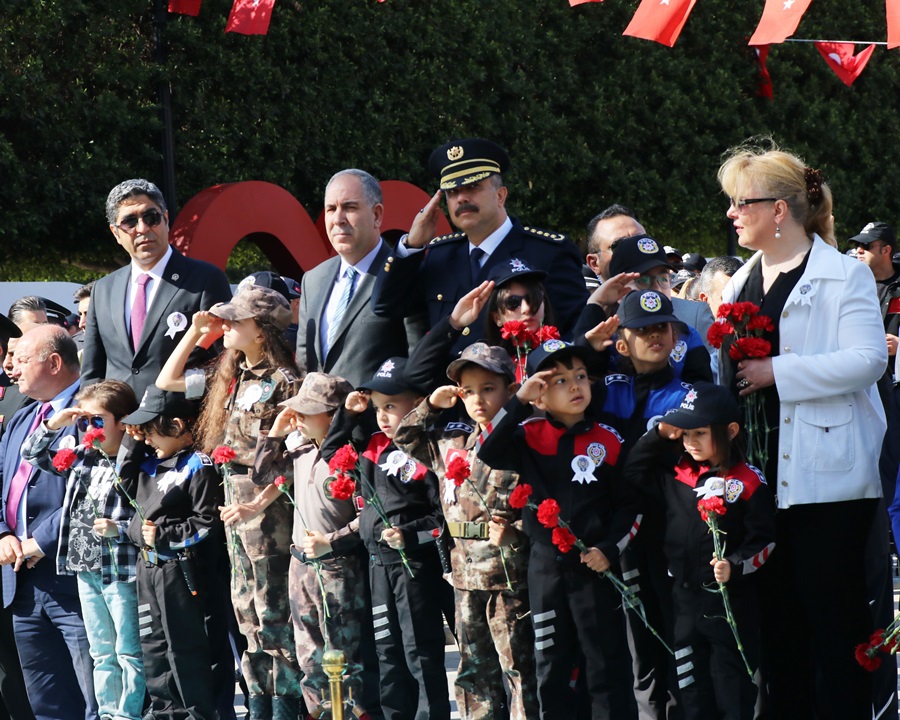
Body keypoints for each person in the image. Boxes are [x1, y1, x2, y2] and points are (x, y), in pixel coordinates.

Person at [717, 143, 887, 719]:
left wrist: (777, 372)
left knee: (834, 626)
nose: (732, 215)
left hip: (827, 483)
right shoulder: (739, 279)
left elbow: (869, 361)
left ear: (780, 210)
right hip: (759, 477)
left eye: (742, 203)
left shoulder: (844, 276)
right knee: (778, 625)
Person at [157, 285, 303, 720]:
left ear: (262, 332)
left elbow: (295, 455)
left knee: (274, 610)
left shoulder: (286, 382)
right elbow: (167, 381)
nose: (227, 326)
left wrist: (259, 502)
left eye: (237, 321)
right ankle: (258, 703)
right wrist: (194, 334)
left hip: (267, 507)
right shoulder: (232, 375)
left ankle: (285, 706)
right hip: (232, 504)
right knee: (247, 613)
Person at [478, 339, 638, 719]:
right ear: (540, 395)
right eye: (560, 381)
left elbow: (631, 506)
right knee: (551, 661)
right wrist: (519, 402)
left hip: (594, 567)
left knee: (605, 663)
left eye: (580, 377)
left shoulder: (609, 439)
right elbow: (487, 450)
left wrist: (609, 550)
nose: (576, 386)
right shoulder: (527, 434)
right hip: (546, 567)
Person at [395, 342, 538, 719]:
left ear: (511, 388)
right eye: (468, 390)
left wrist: (518, 532)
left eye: (488, 388)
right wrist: (432, 404)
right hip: (463, 576)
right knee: (474, 673)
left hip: (509, 576)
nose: (477, 399)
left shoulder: (524, 439)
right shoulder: (453, 441)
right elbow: (405, 437)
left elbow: (545, 505)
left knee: (521, 671)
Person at [624, 383, 775, 720]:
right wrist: (660, 434)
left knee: (732, 690)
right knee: (689, 689)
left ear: (730, 431)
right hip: (683, 602)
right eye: (685, 432)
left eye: (700, 432)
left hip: (728, 602)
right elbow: (632, 471)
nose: (689, 441)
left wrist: (734, 567)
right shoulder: (678, 473)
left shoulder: (748, 481)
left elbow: (765, 540)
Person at [324, 358, 449, 720]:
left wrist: (409, 535)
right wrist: (347, 416)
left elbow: (442, 519)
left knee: (419, 651)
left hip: (414, 566)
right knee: (387, 651)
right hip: (378, 565)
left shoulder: (427, 448)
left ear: (417, 404)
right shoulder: (371, 444)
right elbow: (331, 455)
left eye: (391, 406)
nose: (382, 416)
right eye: (378, 407)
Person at [372, 139, 588, 348]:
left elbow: (574, 328)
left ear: (500, 196)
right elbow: (385, 305)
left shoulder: (548, 253)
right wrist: (412, 244)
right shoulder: (439, 255)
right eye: (453, 192)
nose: (462, 198)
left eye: (473, 187)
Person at [22, 380, 145, 720]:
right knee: (101, 650)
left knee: (127, 650)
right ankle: (108, 712)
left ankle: (128, 713)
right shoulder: (83, 457)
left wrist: (119, 528)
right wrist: (55, 424)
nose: (89, 429)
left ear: (122, 421)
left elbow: (147, 514)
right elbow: (32, 454)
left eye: (97, 420)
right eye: (84, 421)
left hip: (120, 568)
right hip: (85, 566)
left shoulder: (134, 459)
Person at [253, 373, 374, 713]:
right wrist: (276, 432)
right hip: (301, 566)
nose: (298, 419)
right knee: (309, 654)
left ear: (335, 416)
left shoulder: (351, 458)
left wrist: (333, 541)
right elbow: (262, 476)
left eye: (307, 412)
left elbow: (367, 517)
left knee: (342, 652)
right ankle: (317, 710)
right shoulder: (300, 449)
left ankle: (349, 711)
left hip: (337, 566)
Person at [0, 325, 96, 720]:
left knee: (92, 693)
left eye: (21, 360)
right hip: (19, 581)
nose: (12, 369)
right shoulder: (21, 418)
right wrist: (3, 533)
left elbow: (93, 491)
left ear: (54, 362)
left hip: (69, 577)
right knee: (46, 699)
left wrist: (40, 539)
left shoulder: (93, 413)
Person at [120, 386, 225, 720]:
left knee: (184, 648)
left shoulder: (198, 464)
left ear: (178, 426)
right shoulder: (149, 464)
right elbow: (122, 479)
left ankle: (196, 714)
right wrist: (131, 440)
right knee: (153, 647)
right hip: (146, 569)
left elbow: (207, 522)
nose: (146, 438)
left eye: (150, 431)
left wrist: (163, 535)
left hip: (178, 571)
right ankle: (166, 713)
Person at [81, 178, 232, 400]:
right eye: (130, 222)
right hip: (119, 427)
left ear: (166, 219)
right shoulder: (103, 289)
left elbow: (224, 360)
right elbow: (93, 372)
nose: (142, 229)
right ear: (115, 233)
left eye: (151, 217)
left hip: (179, 427)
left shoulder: (205, 279)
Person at [297, 169, 426, 388]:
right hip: (318, 420)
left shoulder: (405, 274)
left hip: (377, 419)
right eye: (331, 209)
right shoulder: (313, 280)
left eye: (350, 207)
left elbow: (417, 363)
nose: (338, 219)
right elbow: (304, 363)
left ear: (376, 215)